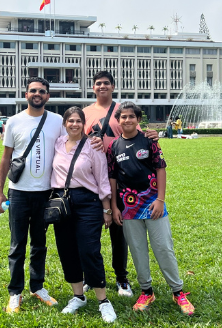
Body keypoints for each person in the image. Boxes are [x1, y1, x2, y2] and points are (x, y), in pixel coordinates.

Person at [0, 77, 105, 314]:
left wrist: (97, 141)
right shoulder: (14, 122)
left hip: (47, 193)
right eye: (33, 90)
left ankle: (37, 286)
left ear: (48, 96)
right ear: (26, 94)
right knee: (17, 245)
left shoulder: (57, 121)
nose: (37, 94)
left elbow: (77, 138)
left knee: (39, 243)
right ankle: (15, 292)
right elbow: (6, 158)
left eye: (42, 91)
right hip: (18, 193)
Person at [106, 102, 195, 315]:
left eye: (131, 116)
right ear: (118, 121)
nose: (127, 120)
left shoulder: (149, 140)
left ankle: (178, 291)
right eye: (123, 117)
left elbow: (160, 169)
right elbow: (112, 179)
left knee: (163, 247)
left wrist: (160, 200)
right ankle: (146, 291)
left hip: (153, 204)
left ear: (138, 119)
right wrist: (113, 208)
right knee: (137, 251)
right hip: (128, 208)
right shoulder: (114, 147)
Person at [84, 70, 159, 298]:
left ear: (113, 86)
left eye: (106, 83)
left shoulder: (123, 111)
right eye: (98, 83)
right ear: (93, 87)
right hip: (91, 179)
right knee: (90, 230)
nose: (102, 86)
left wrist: (154, 135)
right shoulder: (86, 112)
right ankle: (91, 277)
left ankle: (121, 278)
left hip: (120, 178)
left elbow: (138, 136)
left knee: (119, 231)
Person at [51, 107, 117, 323]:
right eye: (70, 121)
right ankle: (78, 296)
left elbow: (102, 179)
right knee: (66, 250)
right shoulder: (58, 144)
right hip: (62, 203)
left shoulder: (93, 146)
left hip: (88, 202)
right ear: (65, 123)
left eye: (78, 121)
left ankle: (103, 301)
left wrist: (106, 209)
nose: (74, 124)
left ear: (83, 123)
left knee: (90, 250)